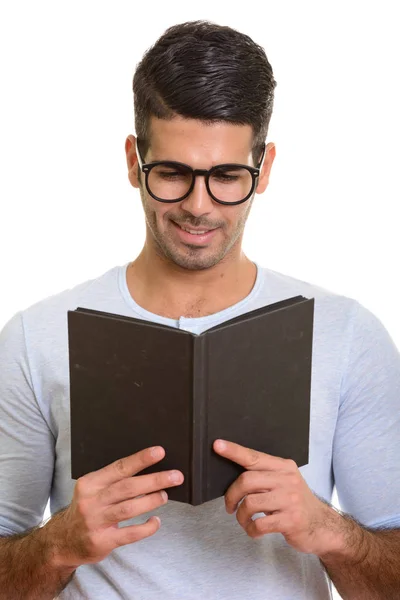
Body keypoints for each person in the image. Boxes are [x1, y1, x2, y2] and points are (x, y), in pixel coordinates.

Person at [0, 19, 399, 600]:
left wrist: (328, 530)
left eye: (227, 177)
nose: (198, 206)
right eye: (173, 173)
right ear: (135, 159)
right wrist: (58, 542)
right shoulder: (36, 337)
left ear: (264, 170)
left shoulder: (347, 335)